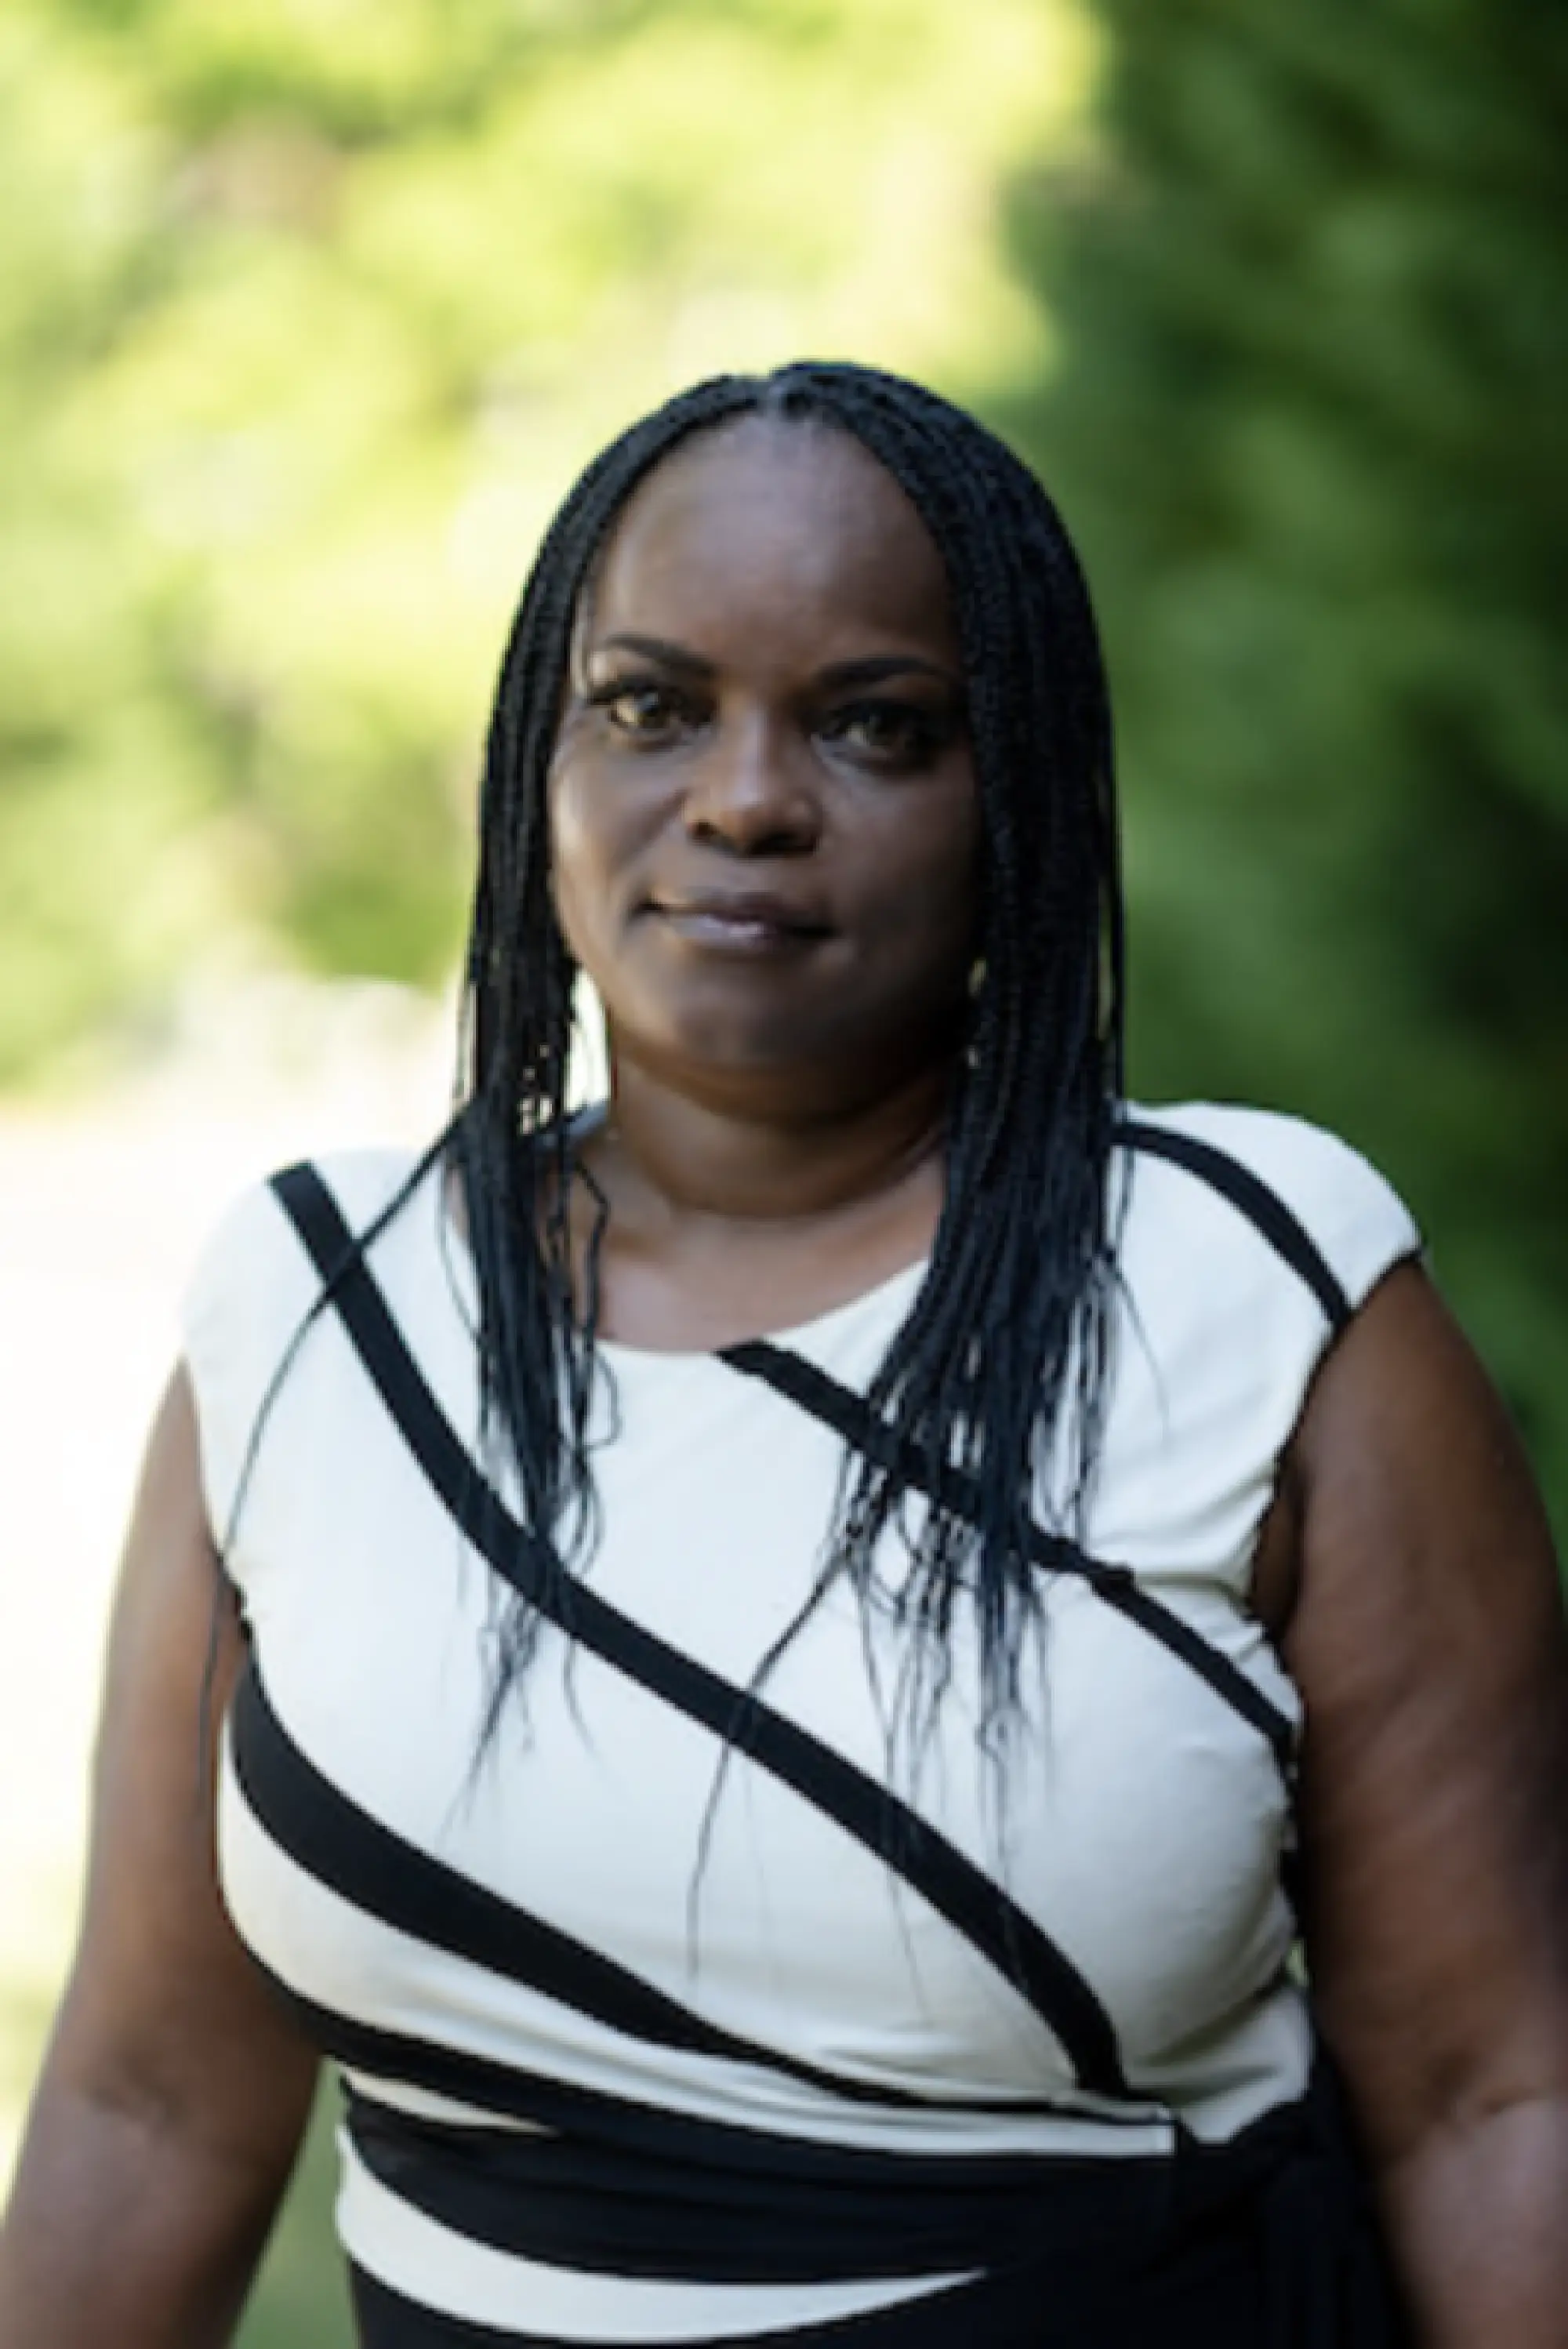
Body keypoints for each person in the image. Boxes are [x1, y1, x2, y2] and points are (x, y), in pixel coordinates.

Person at [1, 361, 1564, 2348]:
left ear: (1018, 802)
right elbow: (147, 2103)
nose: (743, 797)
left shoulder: (1258, 1292)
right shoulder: (319, 1309)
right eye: (649, 707)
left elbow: (1490, 2097)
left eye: (875, 724)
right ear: (538, 766)